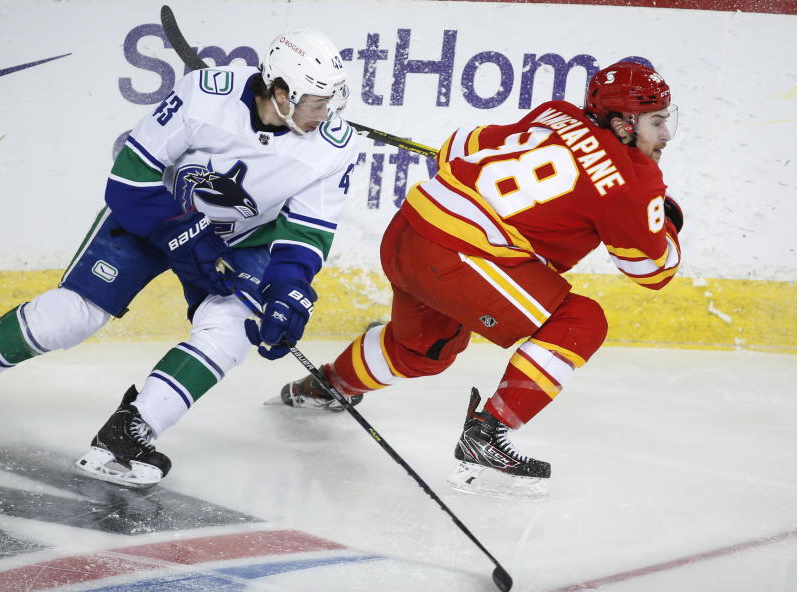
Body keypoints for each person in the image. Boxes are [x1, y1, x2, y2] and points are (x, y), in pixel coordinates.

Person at [0, 28, 359, 488]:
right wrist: (187, 237)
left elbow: (306, 231)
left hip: (239, 238)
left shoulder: (334, 146)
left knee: (236, 325)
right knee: (72, 316)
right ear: (280, 93)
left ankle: (130, 432)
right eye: (319, 102)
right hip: (155, 213)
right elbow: (129, 180)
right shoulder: (205, 96)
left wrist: (288, 289)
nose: (330, 113)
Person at [278, 61, 683, 497]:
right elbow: (652, 270)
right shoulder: (633, 181)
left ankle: (325, 386)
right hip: (455, 258)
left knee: (424, 351)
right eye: (656, 121)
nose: (665, 135)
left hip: (409, 232)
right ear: (623, 123)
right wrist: (669, 220)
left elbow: (457, 148)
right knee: (581, 321)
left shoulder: (556, 113)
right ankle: (487, 436)